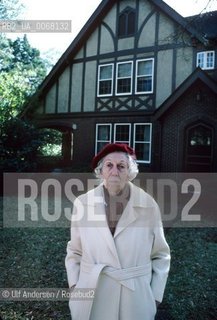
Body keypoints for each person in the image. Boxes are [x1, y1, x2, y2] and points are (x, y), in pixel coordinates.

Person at [65, 143, 170, 320]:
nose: (115, 171)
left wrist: (154, 297)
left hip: (136, 299)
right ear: (101, 171)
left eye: (121, 166)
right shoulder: (82, 204)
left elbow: (161, 254)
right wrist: (75, 286)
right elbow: (74, 251)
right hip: (91, 294)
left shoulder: (148, 204)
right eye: (109, 165)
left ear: (130, 171)